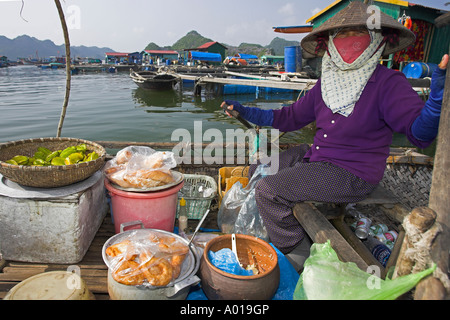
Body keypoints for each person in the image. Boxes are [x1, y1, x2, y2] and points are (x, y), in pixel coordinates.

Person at [220, 2, 447, 271]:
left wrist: (436, 98)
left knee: (269, 190)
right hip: (319, 157)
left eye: (358, 37)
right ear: (329, 44)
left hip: (352, 172)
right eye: (341, 37)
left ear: (376, 42)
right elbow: (288, 118)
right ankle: (280, 225)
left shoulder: (388, 83)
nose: (348, 44)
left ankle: (296, 252)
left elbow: (419, 134)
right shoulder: (327, 83)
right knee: (261, 167)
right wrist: (244, 110)